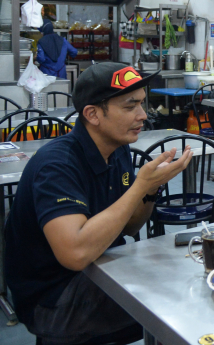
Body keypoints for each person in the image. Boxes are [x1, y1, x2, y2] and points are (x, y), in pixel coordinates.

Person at [3, 63, 192, 345]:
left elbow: (129, 227)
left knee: (187, 275)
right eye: (130, 107)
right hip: (54, 299)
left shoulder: (117, 150)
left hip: (101, 270)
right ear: (92, 114)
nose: (143, 115)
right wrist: (140, 185)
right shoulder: (57, 165)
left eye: (142, 103)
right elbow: (76, 253)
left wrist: (150, 188)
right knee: (179, 299)